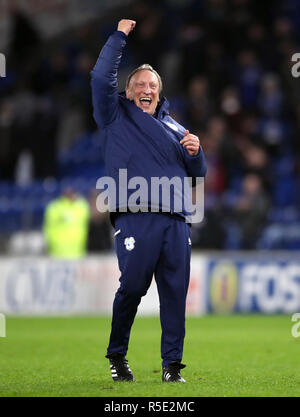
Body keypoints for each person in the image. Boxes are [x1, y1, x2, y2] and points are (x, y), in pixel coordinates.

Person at [91, 19, 206, 383]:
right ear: (127, 93)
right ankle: (117, 356)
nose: (146, 88)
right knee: (132, 289)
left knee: (175, 296)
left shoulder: (175, 127)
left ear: (159, 93)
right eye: (139, 84)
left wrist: (197, 152)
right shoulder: (113, 116)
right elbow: (99, 79)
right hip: (136, 216)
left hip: (176, 220)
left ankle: (172, 367)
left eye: (152, 85)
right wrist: (119, 36)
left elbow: (196, 174)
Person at [43, 187, 90, 258]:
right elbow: (48, 228)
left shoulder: (82, 206)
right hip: (57, 252)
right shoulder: (54, 207)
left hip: (78, 251)